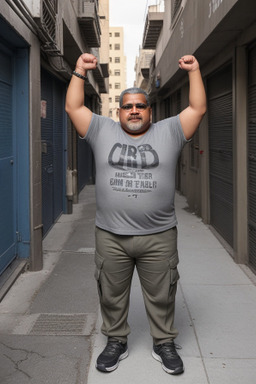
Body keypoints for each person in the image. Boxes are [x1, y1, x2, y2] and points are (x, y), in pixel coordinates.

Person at [65, 53, 206, 375]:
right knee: (111, 294)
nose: (133, 110)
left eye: (140, 105)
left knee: (163, 294)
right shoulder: (101, 130)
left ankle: (164, 342)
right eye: (127, 106)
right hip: (111, 235)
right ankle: (116, 340)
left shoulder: (169, 131)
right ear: (119, 111)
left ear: (149, 110)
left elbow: (197, 108)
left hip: (159, 236)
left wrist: (195, 71)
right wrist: (78, 70)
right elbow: (74, 107)